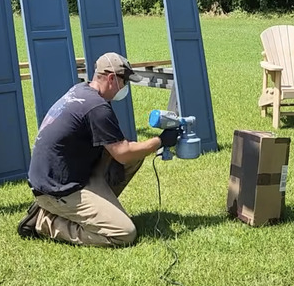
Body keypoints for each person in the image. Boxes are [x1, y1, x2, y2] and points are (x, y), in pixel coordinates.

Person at [17, 52, 180, 247]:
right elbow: (122, 152)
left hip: (64, 175)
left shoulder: (81, 91)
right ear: (111, 78)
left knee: (136, 154)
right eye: (124, 81)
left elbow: (122, 151)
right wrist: (160, 141)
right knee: (123, 233)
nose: (125, 86)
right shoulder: (97, 107)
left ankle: (94, 208)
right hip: (57, 188)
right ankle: (45, 222)